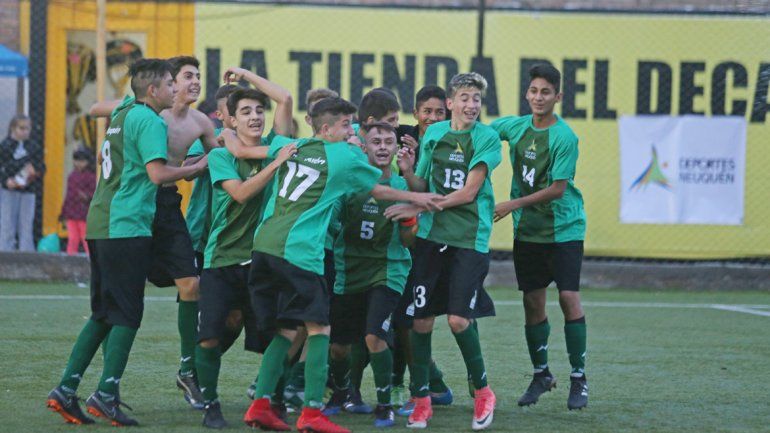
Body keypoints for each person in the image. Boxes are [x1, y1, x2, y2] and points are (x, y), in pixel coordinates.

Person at [241, 97, 443, 433]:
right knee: (320, 330)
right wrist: (419, 198)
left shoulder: (295, 144)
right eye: (347, 125)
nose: (353, 132)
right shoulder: (343, 156)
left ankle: (261, 403)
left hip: (264, 246)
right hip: (300, 250)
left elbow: (277, 114)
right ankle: (312, 412)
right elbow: (379, 190)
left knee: (288, 329)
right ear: (326, 128)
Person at [45, 58, 209, 427]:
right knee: (126, 314)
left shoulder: (122, 113)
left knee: (105, 312)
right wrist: (195, 168)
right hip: (127, 225)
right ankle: (105, 394)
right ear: (153, 90)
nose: (175, 89)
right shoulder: (149, 120)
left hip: (101, 223)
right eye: (170, 83)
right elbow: (158, 173)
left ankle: (66, 389)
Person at [387, 72, 501, 430]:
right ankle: (421, 399)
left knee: (457, 319)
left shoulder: (487, 138)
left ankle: (483, 391)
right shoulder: (434, 134)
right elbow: (423, 185)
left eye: (476, 100)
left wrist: (419, 208)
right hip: (432, 239)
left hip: (469, 239)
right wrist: (407, 174)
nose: (471, 105)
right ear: (451, 103)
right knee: (419, 321)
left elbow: (469, 193)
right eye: (465, 98)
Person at [195, 87, 296, 429]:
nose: (255, 116)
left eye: (258, 110)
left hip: (262, 261)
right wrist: (276, 165)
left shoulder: (275, 145)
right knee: (210, 336)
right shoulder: (222, 155)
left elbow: (284, 99)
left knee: (277, 335)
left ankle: (273, 401)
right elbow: (238, 194)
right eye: (246, 111)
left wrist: (243, 76)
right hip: (221, 260)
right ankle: (209, 403)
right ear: (232, 120)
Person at [490, 63, 588, 411]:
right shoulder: (515, 127)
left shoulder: (565, 137)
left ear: (557, 96)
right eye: (533, 91)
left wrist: (512, 203)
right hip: (528, 232)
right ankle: (541, 374)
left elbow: (558, 190)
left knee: (568, 297)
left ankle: (579, 378)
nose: (538, 97)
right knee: (532, 303)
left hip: (564, 230)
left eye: (546, 92)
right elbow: (481, 133)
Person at [323, 122, 416, 428]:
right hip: (349, 271)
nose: (382, 146)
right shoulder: (348, 186)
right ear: (363, 147)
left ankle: (385, 404)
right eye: (375, 141)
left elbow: (408, 241)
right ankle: (340, 392)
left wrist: (408, 223)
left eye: (388, 141)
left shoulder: (402, 189)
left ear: (395, 148)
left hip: (387, 269)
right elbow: (329, 224)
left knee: (375, 337)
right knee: (338, 347)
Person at [0, 114, 45, 252]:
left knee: (26, 225)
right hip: (9, 191)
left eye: (28, 128)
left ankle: (27, 255)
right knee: (7, 224)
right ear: (13, 128)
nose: (25, 131)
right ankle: (5, 254)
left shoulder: (33, 146)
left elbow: (42, 167)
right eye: (22, 128)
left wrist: (34, 171)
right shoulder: (5, 145)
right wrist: (6, 180)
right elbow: (3, 166)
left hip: (28, 191)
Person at [60, 148, 96, 255]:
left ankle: (90, 257)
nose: (79, 163)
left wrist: (87, 197)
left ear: (88, 162)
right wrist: (63, 212)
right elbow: (68, 196)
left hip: (84, 213)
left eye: (82, 161)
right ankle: (71, 257)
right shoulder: (72, 176)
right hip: (72, 212)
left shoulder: (91, 177)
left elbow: (93, 193)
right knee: (73, 238)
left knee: (85, 237)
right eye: (77, 160)